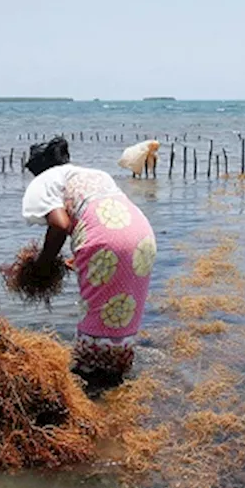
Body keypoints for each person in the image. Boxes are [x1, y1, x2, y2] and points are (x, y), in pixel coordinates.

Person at [21, 137, 156, 388]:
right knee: (122, 312)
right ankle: (117, 380)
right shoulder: (91, 174)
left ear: (37, 170)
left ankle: (92, 385)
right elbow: (97, 212)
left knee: (94, 322)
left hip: (105, 241)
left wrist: (43, 264)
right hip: (142, 235)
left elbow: (60, 225)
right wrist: (81, 256)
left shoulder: (44, 181)